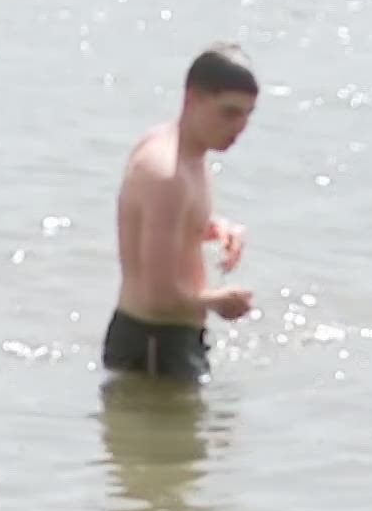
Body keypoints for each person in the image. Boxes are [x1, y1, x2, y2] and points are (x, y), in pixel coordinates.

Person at [102, 43, 260, 384]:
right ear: (192, 99)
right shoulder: (167, 175)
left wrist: (210, 227)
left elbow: (159, 223)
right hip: (155, 343)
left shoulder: (179, 150)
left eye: (248, 115)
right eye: (229, 113)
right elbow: (159, 297)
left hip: (161, 339)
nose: (240, 127)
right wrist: (221, 302)